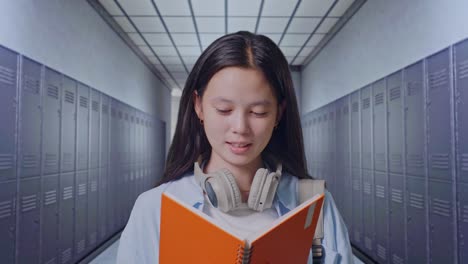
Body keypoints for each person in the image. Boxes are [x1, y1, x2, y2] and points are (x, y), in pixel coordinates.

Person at [116, 31, 353, 264]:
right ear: (198, 106)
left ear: (278, 113)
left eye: (258, 112)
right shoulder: (154, 208)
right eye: (224, 110)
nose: (240, 127)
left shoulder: (315, 205)